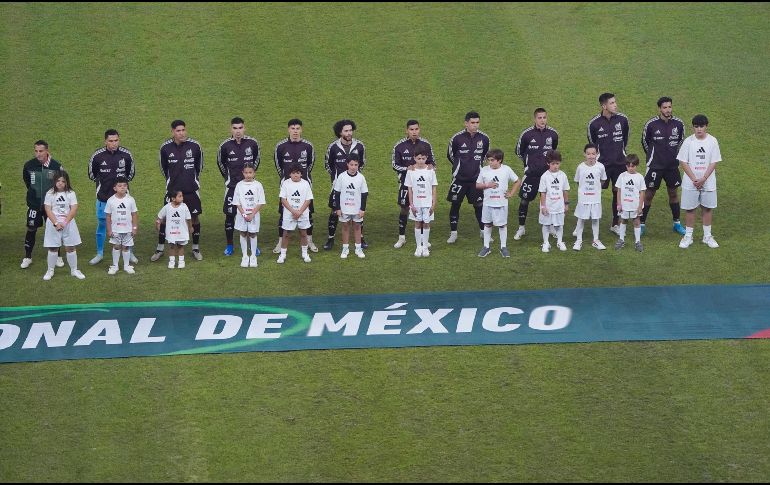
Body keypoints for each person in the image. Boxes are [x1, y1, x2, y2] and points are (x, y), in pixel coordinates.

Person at [153, 120, 204, 262]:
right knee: (165, 219)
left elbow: (199, 167)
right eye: (178, 131)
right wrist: (173, 181)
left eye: (183, 130)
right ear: (172, 132)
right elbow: (164, 168)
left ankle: (195, 247)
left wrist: (191, 180)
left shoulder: (195, 146)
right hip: (173, 191)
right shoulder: (165, 148)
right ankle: (160, 248)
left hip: (191, 190)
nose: (181, 133)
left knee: (194, 218)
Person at [87, 129, 136, 265]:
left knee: (127, 225)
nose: (114, 143)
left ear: (119, 140)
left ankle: (130, 252)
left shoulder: (126, 155)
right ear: (105, 141)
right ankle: (100, 253)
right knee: (103, 224)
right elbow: (91, 175)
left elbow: (131, 175)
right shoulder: (97, 156)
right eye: (110, 141)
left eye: (116, 140)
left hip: (123, 200)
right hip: (103, 198)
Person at [640, 96, 686, 235]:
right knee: (649, 194)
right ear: (660, 109)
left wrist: (673, 157)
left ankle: (677, 223)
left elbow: (681, 142)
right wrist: (653, 156)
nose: (668, 110)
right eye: (665, 107)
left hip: (672, 166)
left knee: (673, 193)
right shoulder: (651, 124)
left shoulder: (679, 124)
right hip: (655, 166)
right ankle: (641, 224)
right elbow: (645, 142)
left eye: (669, 107)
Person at [217, 117, 261, 256]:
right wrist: (229, 178)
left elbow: (256, 161)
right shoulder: (225, 146)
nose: (238, 131)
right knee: (230, 216)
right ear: (231, 129)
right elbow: (221, 164)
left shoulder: (252, 143)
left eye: (240, 128)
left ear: (244, 128)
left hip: (250, 188)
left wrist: (249, 178)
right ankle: (230, 245)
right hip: (232, 187)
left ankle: (253, 245)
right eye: (235, 128)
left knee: (251, 214)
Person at [513, 108, 559, 240]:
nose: (542, 120)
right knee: (524, 200)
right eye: (540, 118)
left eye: (544, 117)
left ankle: (550, 226)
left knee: (549, 201)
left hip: (548, 175)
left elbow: (553, 151)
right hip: (531, 175)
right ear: (535, 119)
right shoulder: (527, 134)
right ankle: (521, 228)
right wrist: (529, 163)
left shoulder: (553, 134)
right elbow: (518, 151)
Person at [587, 92, 630, 234]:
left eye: (615, 102)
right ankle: (585, 221)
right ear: (604, 106)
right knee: (595, 191)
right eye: (612, 103)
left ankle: (615, 224)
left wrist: (620, 153)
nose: (615, 105)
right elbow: (592, 146)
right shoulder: (593, 124)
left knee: (617, 192)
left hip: (619, 163)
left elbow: (625, 139)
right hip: (602, 165)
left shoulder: (623, 120)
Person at [677, 114, 721, 249]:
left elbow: (714, 162)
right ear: (693, 127)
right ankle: (688, 237)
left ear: (706, 126)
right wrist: (694, 179)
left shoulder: (713, 141)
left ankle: (707, 236)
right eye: (696, 127)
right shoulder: (688, 142)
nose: (699, 129)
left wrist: (703, 179)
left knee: (707, 208)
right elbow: (683, 161)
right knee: (690, 209)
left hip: (708, 182)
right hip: (691, 182)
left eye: (701, 126)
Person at [273, 119, 317, 253]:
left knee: (308, 213)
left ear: (301, 130)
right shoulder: (280, 146)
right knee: (283, 213)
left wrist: (302, 179)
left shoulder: (308, 146)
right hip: (287, 186)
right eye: (293, 129)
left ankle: (309, 240)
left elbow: (310, 165)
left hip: (304, 186)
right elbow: (279, 166)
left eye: (298, 128)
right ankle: (281, 242)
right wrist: (288, 180)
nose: (295, 131)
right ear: (288, 130)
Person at [446, 111, 490, 243]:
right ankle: (453, 233)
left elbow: (485, 156)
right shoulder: (457, 138)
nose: (475, 125)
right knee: (455, 204)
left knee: (479, 205)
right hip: (459, 179)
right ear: (466, 123)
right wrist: (460, 166)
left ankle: (483, 231)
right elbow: (450, 156)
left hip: (476, 179)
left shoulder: (484, 138)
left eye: (477, 122)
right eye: (472, 123)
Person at [392, 119, 435, 249]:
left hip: (423, 186)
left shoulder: (426, 145)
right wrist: (408, 168)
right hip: (407, 184)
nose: (414, 132)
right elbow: (394, 165)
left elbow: (433, 163)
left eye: (416, 129)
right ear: (407, 130)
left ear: (419, 129)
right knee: (405, 209)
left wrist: (430, 167)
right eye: (411, 129)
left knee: (424, 209)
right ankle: (402, 237)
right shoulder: (399, 146)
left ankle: (423, 239)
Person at [324, 119, 366, 250]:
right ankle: (331, 238)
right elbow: (328, 165)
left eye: (350, 130)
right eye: (346, 131)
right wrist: (338, 179)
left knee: (358, 210)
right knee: (335, 210)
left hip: (355, 185)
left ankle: (361, 238)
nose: (349, 133)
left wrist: (354, 178)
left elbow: (362, 163)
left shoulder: (360, 146)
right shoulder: (333, 147)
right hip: (338, 186)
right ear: (340, 132)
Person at [21, 140, 64, 269]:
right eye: (36, 151)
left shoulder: (56, 166)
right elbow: (28, 183)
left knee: (55, 229)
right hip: (34, 205)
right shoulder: (29, 165)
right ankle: (27, 257)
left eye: (41, 151)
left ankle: (58, 256)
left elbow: (61, 185)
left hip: (51, 206)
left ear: (47, 151)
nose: (38, 154)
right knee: (31, 228)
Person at [475, 149, 521, 258]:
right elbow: (477, 185)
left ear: (499, 160)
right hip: (487, 203)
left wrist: (511, 193)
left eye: (492, 160)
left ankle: (503, 247)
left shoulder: (506, 170)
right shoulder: (484, 170)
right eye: (488, 160)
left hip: (501, 203)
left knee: (502, 225)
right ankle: (486, 247)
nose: (489, 162)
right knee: (487, 224)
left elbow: (518, 181)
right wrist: (487, 185)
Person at [42, 171, 85, 280]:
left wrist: (65, 222)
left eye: (63, 181)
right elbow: (48, 209)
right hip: (53, 224)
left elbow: (74, 208)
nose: (60, 183)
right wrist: (56, 223)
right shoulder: (50, 193)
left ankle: (74, 270)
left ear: (66, 182)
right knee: (53, 248)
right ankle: (50, 270)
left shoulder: (71, 193)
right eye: (58, 181)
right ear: (54, 181)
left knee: (70, 247)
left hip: (68, 223)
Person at [573, 143, 608, 250]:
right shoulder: (580, 167)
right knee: (581, 219)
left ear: (597, 154)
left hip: (595, 199)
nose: (591, 156)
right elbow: (578, 182)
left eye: (593, 154)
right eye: (588, 154)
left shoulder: (600, 167)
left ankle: (596, 240)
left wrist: (595, 190)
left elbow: (602, 180)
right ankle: (578, 240)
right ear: (584, 154)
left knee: (595, 219)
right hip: (583, 199)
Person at [404, 146, 438, 257]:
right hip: (416, 203)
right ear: (414, 158)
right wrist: (411, 205)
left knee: (427, 224)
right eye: (418, 158)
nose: (421, 161)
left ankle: (425, 247)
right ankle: (418, 246)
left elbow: (434, 187)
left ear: (426, 158)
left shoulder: (430, 170)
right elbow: (409, 189)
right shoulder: (410, 171)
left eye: (423, 158)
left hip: (428, 203)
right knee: (418, 223)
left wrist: (434, 204)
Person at [333, 153, 368, 259]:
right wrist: (337, 208)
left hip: (357, 209)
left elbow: (364, 194)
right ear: (347, 164)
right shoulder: (341, 177)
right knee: (345, 227)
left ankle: (358, 248)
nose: (353, 167)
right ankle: (345, 248)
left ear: (358, 165)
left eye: (356, 165)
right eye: (351, 164)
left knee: (357, 227)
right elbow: (337, 193)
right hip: (344, 208)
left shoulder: (361, 178)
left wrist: (362, 209)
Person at [277, 164, 314, 264]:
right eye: (293, 173)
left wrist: (300, 212)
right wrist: (293, 211)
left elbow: (308, 199)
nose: (295, 175)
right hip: (289, 214)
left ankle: (305, 254)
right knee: (286, 234)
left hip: (303, 214)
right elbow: (283, 199)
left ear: (301, 174)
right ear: (290, 174)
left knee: (303, 233)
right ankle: (283, 255)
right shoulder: (285, 183)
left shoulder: (306, 184)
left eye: (297, 173)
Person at [231, 162, 265, 268]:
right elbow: (236, 202)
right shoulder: (239, 185)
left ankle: (253, 256)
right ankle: (245, 256)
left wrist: (252, 214)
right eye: (246, 173)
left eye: (250, 172)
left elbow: (261, 202)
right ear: (243, 173)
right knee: (243, 233)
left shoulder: (258, 185)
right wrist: (244, 215)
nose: (248, 175)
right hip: (242, 215)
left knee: (253, 234)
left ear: (254, 173)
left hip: (254, 215)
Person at [105, 176, 138, 275]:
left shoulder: (131, 200)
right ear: (115, 188)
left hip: (128, 229)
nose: (123, 187)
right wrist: (109, 230)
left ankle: (126, 266)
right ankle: (115, 266)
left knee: (126, 247)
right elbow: (108, 216)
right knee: (116, 246)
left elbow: (134, 214)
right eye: (120, 186)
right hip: (115, 230)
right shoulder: (111, 200)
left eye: (124, 185)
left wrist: (134, 228)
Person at [538, 150, 570, 253]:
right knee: (546, 225)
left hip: (559, 206)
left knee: (559, 225)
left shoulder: (563, 175)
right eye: (553, 164)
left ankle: (560, 241)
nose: (555, 166)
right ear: (548, 163)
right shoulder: (544, 177)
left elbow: (565, 190)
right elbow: (542, 192)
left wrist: (566, 204)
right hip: (548, 206)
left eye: (557, 163)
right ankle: (546, 242)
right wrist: (543, 207)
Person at [614, 154, 646, 252]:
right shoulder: (622, 176)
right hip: (624, 205)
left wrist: (640, 206)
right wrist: (619, 204)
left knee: (636, 222)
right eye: (628, 166)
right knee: (623, 221)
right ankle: (621, 239)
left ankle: (637, 242)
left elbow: (642, 192)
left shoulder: (640, 177)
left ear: (637, 165)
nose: (630, 168)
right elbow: (618, 190)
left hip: (635, 205)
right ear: (626, 165)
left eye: (633, 166)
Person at [156, 189, 193, 269]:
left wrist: (190, 227)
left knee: (180, 246)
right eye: (180, 196)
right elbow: (159, 216)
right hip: (171, 231)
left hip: (181, 231)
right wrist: (158, 224)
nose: (182, 198)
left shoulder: (184, 207)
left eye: (182, 196)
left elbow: (188, 218)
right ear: (173, 198)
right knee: (172, 246)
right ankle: (171, 262)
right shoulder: (167, 207)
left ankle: (181, 261)